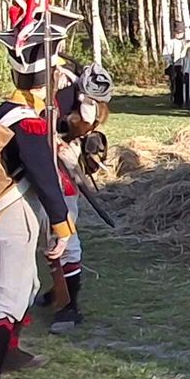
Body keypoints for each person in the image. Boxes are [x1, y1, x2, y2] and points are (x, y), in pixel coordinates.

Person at [0, 16, 76, 379]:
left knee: (28, 286)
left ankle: (9, 353)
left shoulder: (3, 110)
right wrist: (62, 227)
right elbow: (46, 179)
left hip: (10, 208)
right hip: (13, 212)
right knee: (10, 297)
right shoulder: (26, 122)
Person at [41, 55, 113, 335]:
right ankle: (57, 290)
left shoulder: (79, 99)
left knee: (64, 237)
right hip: (32, 161)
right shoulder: (44, 89)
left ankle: (68, 305)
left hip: (60, 169)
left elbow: (79, 124)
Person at [164, 23, 186, 109]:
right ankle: (176, 101)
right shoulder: (170, 42)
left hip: (184, 65)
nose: (178, 34)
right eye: (177, 32)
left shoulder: (186, 42)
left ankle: (184, 100)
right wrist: (169, 60)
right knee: (175, 84)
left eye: (180, 32)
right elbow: (166, 54)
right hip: (174, 66)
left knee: (183, 83)